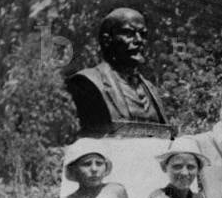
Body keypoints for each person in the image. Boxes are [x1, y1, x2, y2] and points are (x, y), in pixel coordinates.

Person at [65, 7, 172, 136]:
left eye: (142, 34)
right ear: (107, 40)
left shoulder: (150, 89)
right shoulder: (87, 81)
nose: (138, 40)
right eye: (128, 33)